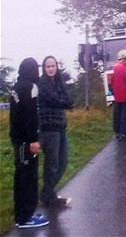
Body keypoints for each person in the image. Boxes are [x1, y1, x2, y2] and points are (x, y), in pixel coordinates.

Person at [10, 58, 50, 229]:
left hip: (17, 139)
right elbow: (30, 115)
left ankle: (21, 214)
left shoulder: (16, 87)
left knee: (20, 177)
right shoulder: (31, 87)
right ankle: (26, 218)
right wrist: (34, 139)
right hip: (27, 141)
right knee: (28, 177)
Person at [37, 55, 73, 208]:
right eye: (48, 66)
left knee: (63, 162)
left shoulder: (59, 82)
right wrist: (63, 102)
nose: (51, 69)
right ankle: (49, 196)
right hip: (49, 129)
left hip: (60, 127)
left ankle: (47, 192)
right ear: (44, 69)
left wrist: (63, 102)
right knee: (52, 164)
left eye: (53, 66)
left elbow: (68, 101)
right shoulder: (42, 83)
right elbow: (56, 100)